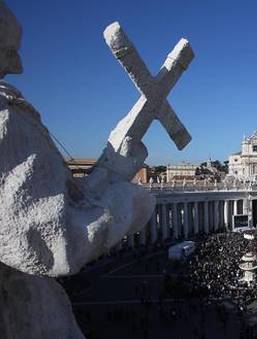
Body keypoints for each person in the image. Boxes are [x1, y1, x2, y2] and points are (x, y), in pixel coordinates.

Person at [0, 2, 154, 338]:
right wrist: (132, 202)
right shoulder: (3, 118)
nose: (19, 66)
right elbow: (51, 241)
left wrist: (109, 171)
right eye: (8, 51)